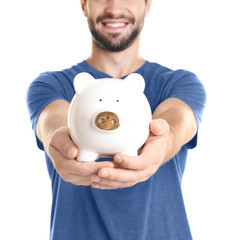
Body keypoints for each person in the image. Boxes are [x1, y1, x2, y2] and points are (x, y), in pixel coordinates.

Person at [26, 0, 206, 239]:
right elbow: (52, 120)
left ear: (147, 4)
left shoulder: (180, 84)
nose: (114, 7)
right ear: (84, 4)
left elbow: (179, 119)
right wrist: (58, 139)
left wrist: (163, 138)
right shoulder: (51, 85)